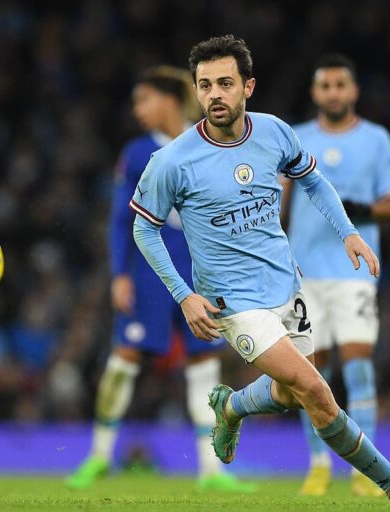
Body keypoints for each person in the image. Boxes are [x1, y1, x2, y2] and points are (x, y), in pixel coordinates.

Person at [129, 35, 390, 506]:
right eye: (205, 85)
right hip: (232, 302)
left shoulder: (275, 132)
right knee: (314, 390)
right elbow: (143, 231)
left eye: (225, 83)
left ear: (248, 86)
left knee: (289, 396)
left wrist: (348, 231)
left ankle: (230, 406)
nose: (214, 95)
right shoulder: (171, 162)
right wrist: (184, 294)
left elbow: (312, 179)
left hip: (288, 285)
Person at [66, 66, 254, 493]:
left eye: (144, 100)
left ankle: (211, 471)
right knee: (123, 360)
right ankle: (98, 457)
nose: (138, 110)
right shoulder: (135, 153)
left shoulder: (211, 141)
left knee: (203, 368)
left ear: (169, 100)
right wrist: (119, 274)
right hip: (150, 274)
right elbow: (120, 217)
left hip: (201, 274)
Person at [281, 54, 390, 497]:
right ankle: (317, 465)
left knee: (357, 366)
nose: (333, 92)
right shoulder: (296, 137)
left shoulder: (376, 139)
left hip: (354, 273)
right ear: (315, 93)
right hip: (302, 274)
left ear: (353, 92)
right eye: (325, 86)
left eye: (341, 85)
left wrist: (363, 211)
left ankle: (361, 471)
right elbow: (278, 199)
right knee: (307, 372)